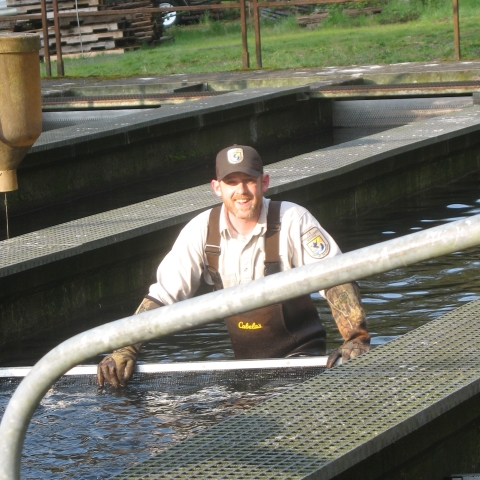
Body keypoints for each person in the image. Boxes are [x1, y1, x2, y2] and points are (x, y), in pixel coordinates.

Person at [97, 145, 371, 387]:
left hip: (303, 361)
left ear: (264, 182)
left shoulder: (293, 219)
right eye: (232, 182)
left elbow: (337, 278)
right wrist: (125, 348)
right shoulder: (200, 231)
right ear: (217, 188)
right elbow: (161, 296)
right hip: (247, 367)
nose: (241, 191)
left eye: (249, 181)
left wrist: (356, 338)